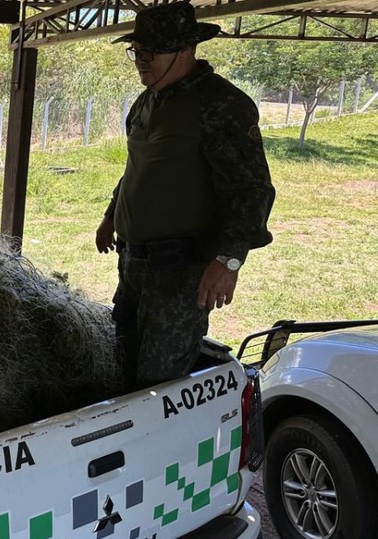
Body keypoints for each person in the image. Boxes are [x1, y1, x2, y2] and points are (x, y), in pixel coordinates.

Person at [97, 2, 275, 388]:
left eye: (150, 52)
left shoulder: (221, 105)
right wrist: (112, 215)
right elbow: (139, 167)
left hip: (179, 272)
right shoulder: (147, 101)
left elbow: (252, 189)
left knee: (159, 384)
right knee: (119, 364)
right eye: (137, 51)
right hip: (134, 265)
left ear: (186, 50)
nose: (141, 61)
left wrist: (228, 260)